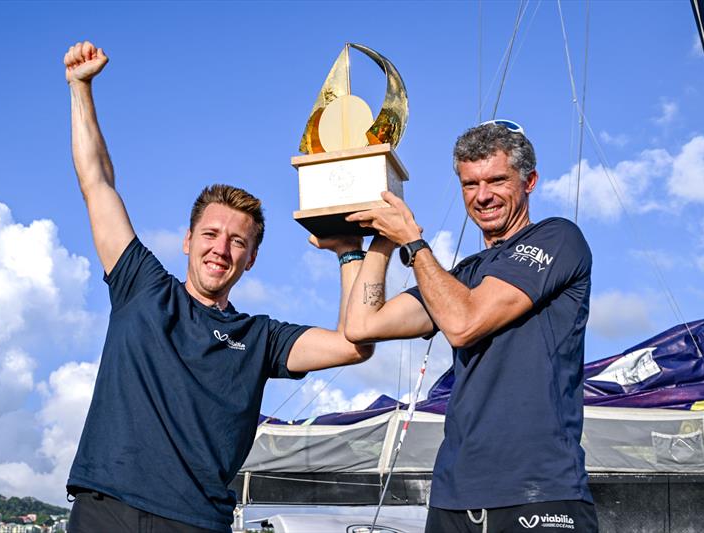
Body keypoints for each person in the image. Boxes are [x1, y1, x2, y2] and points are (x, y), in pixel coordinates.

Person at [63, 41, 373, 533]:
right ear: (187, 241)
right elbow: (96, 182)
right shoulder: (141, 285)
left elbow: (354, 344)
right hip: (108, 509)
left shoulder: (261, 338)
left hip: (197, 521)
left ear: (251, 258)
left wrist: (351, 251)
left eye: (237, 242)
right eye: (210, 235)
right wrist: (81, 88)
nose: (220, 249)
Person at [345, 121, 598, 532]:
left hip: (540, 491)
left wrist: (413, 243)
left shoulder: (558, 238)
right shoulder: (458, 278)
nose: (483, 196)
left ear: (530, 181)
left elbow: (464, 323)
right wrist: (381, 240)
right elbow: (362, 325)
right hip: (454, 496)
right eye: (470, 184)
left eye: (497, 180)